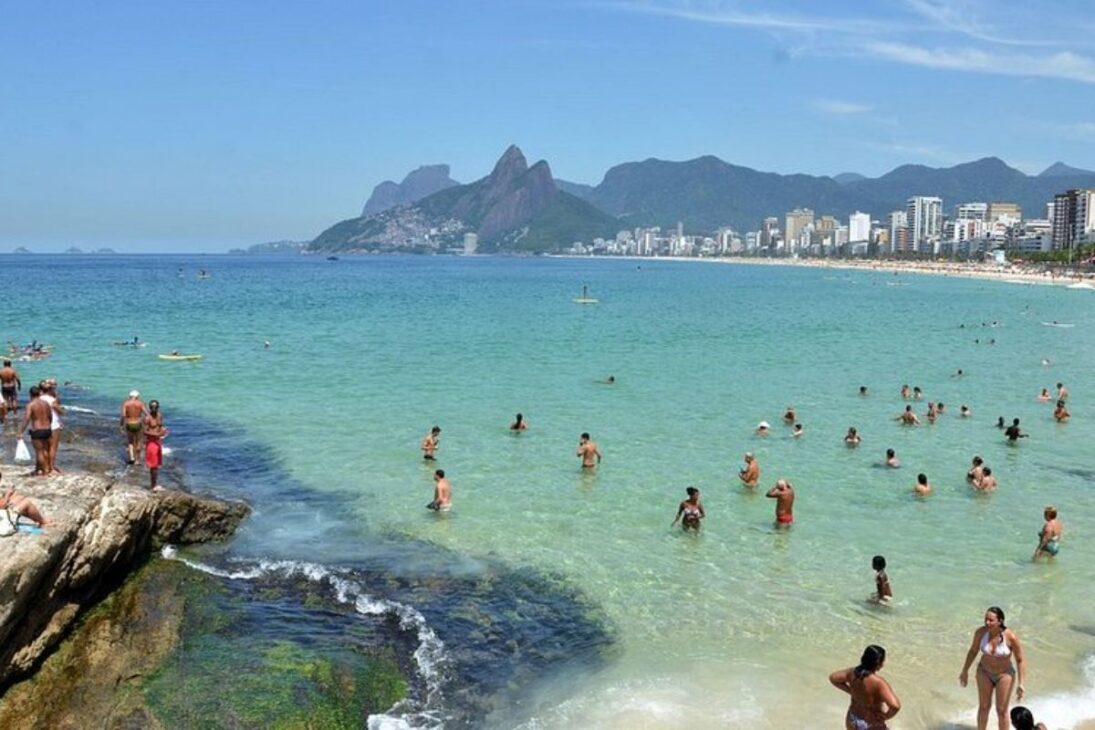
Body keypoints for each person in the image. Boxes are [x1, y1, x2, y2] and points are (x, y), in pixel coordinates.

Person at [959, 606, 1026, 730]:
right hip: (984, 672)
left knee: (1001, 710)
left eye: (991, 620)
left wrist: (1021, 683)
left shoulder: (1010, 637)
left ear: (1000, 621)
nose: (987, 622)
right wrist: (965, 671)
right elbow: (973, 651)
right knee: (984, 707)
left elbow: (1020, 660)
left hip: (1004, 675)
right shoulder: (980, 632)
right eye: (986, 619)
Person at [829, 645, 901, 729]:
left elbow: (833, 678)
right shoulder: (879, 683)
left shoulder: (852, 673)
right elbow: (895, 706)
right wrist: (885, 716)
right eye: (883, 661)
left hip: (853, 718)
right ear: (878, 663)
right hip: (870, 723)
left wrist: (850, 691)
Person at [21, 386, 52, 477]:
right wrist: (48, 425)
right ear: (39, 393)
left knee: (39, 452)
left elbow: (26, 419)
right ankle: (39, 469)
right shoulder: (46, 403)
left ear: (30, 394)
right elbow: (50, 416)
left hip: (37, 430)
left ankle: (44, 473)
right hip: (47, 429)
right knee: (45, 450)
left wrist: (21, 431)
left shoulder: (30, 405)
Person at [39, 380, 63, 475]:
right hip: (53, 425)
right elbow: (59, 410)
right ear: (50, 390)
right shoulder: (52, 400)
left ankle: (45, 466)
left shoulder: (38, 399)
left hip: (41, 425)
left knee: (44, 447)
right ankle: (51, 467)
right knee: (53, 447)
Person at [143, 400, 167, 491]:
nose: (154, 409)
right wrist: (156, 434)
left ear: (158, 407)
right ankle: (153, 486)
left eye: (155, 407)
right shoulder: (147, 418)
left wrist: (163, 431)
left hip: (158, 442)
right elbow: (144, 431)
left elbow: (160, 426)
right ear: (149, 408)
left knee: (157, 465)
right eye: (152, 407)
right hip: (151, 442)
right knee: (153, 466)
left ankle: (155, 484)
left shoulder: (160, 415)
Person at [120, 391, 146, 465]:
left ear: (129, 396)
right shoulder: (140, 403)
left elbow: (123, 416)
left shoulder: (126, 403)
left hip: (129, 423)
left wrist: (121, 425)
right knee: (138, 441)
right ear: (137, 396)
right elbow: (147, 414)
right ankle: (137, 460)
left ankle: (131, 457)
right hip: (138, 423)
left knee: (130, 441)